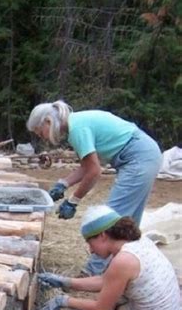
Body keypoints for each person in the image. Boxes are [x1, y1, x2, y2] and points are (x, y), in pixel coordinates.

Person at [26, 100, 162, 274]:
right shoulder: (76, 124)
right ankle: (129, 268)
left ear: (48, 122)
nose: (42, 136)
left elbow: (94, 171)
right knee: (129, 222)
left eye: (40, 132)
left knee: (111, 221)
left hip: (139, 158)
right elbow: (86, 165)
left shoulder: (77, 129)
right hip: (146, 153)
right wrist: (64, 183)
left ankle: (91, 273)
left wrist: (73, 200)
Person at [37, 205, 181, 310]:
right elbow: (106, 280)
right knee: (117, 299)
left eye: (89, 242)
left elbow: (101, 309)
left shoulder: (123, 261)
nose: (91, 250)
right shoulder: (139, 243)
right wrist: (65, 281)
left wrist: (64, 301)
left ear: (103, 236)